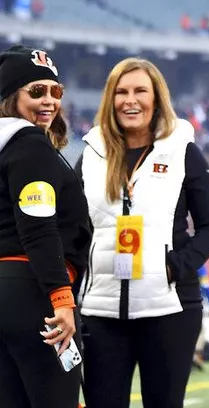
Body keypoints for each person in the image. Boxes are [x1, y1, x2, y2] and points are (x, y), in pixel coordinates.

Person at [76, 57, 209, 408]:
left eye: (140, 91)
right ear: (110, 99)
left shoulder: (183, 152)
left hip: (170, 308)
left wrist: (176, 266)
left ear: (157, 98)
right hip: (101, 312)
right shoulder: (91, 154)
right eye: (122, 92)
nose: (131, 100)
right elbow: (74, 231)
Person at [0, 45, 92, 408]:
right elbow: (38, 229)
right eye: (36, 91)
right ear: (9, 96)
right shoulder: (29, 144)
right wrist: (61, 299)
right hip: (33, 291)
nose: (50, 101)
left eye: (56, 91)